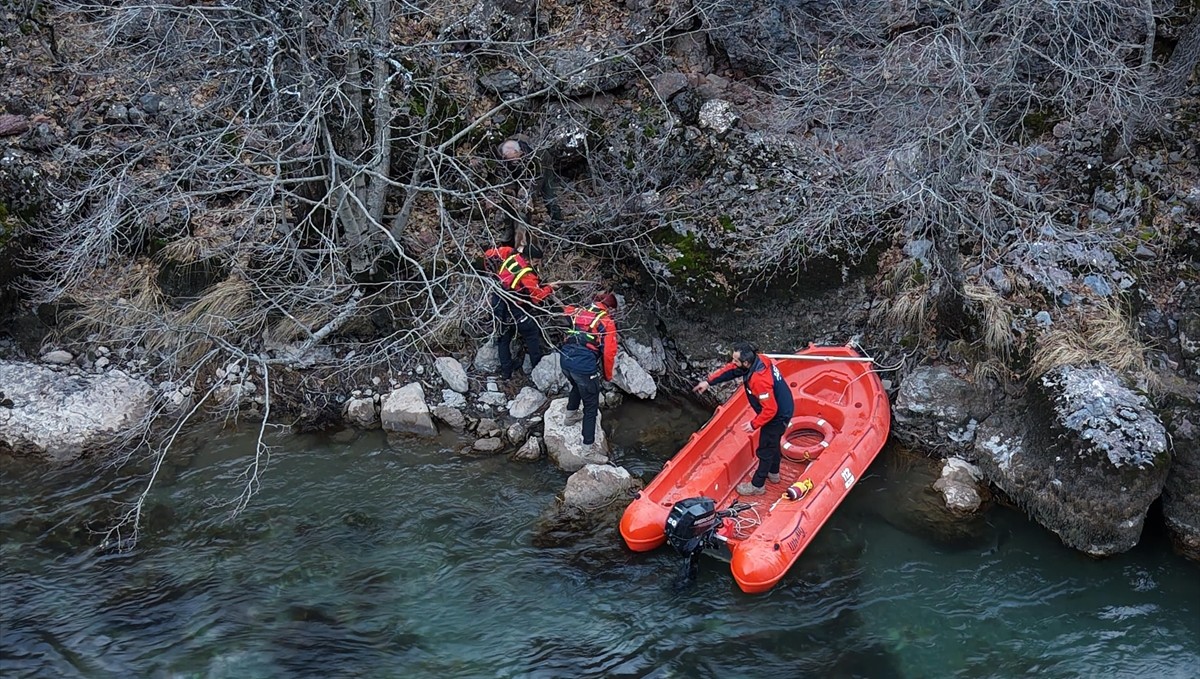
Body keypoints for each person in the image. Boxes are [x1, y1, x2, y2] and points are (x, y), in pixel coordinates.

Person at [693, 342, 795, 496]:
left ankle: (757, 485)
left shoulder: (759, 380)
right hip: (782, 405)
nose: (733, 363)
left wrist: (754, 424)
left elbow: (770, 409)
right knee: (773, 442)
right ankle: (774, 473)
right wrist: (709, 382)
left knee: (766, 448)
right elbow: (732, 370)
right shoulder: (758, 360)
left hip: (777, 414)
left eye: (736, 360)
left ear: (746, 363)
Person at [484, 242, 555, 380]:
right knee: (531, 333)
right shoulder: (526, 274)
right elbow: (537, 297)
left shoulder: (511, 256)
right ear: (528, 259)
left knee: (503, 339)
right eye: (536, 262)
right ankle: (537, 369)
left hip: (498, 303)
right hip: (515, 309)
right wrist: (550, 288)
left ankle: (506, 371)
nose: (537, 265)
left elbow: (489, 254)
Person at [559, 292, 619, 447]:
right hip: (583, 365)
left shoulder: (577, 311)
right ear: (609, 308)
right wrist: (607, 376)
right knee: (591, 407)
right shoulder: (606, 322)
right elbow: (608, 353)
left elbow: (561, 310)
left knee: (577, 386)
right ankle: (588, 449)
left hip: (565, 360)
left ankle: (570, 416)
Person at [494, 135, 561, 246]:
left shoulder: (536, 156)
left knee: (548, 197)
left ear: (520, 153)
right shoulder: (501, 156)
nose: (514, 163)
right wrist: (510, 191)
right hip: (518, 175)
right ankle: (509, 230)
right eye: (511, 161)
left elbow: (538, 177)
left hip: (541, 169)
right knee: (506, 199)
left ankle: (557, 226)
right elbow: (504, 177)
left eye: (516, 160)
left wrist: (529, 193)